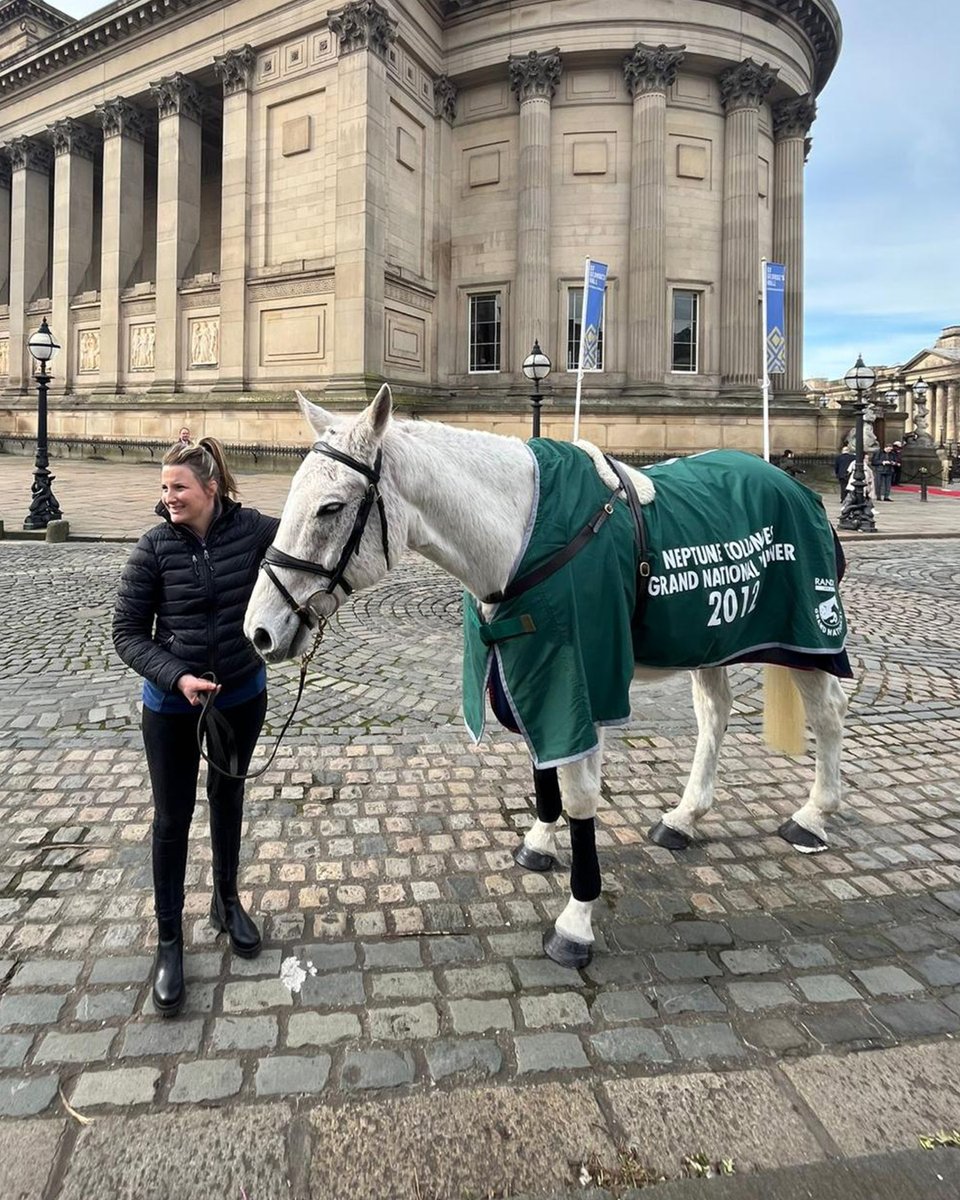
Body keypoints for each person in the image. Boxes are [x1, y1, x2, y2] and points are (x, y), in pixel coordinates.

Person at [113, 438, 278, 1017]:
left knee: (228, 796)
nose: (169, 497)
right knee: (172, 816)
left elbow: (312, 542)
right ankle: (169, 941)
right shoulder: (153, 548)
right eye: (164, 488)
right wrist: (177, 674)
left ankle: (226, 902)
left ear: (211, 488)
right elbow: (127, 634)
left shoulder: (254, 530)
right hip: (172, 705)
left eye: (178, 487)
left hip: (240, 693)